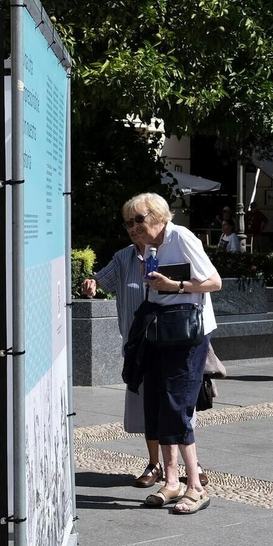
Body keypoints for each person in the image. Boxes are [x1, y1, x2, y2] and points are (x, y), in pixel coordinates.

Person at [80, 193, 221, 514]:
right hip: (156, 332)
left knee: (177, 405)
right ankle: (171, 482)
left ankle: (195, 487)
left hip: (185, 335)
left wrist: (176, 286)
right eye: (128, 222)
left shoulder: (180, 237)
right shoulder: (142, 252)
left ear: (159, 217)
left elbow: (214, 282)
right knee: (156, 403)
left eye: (138, 220)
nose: (132, 227)